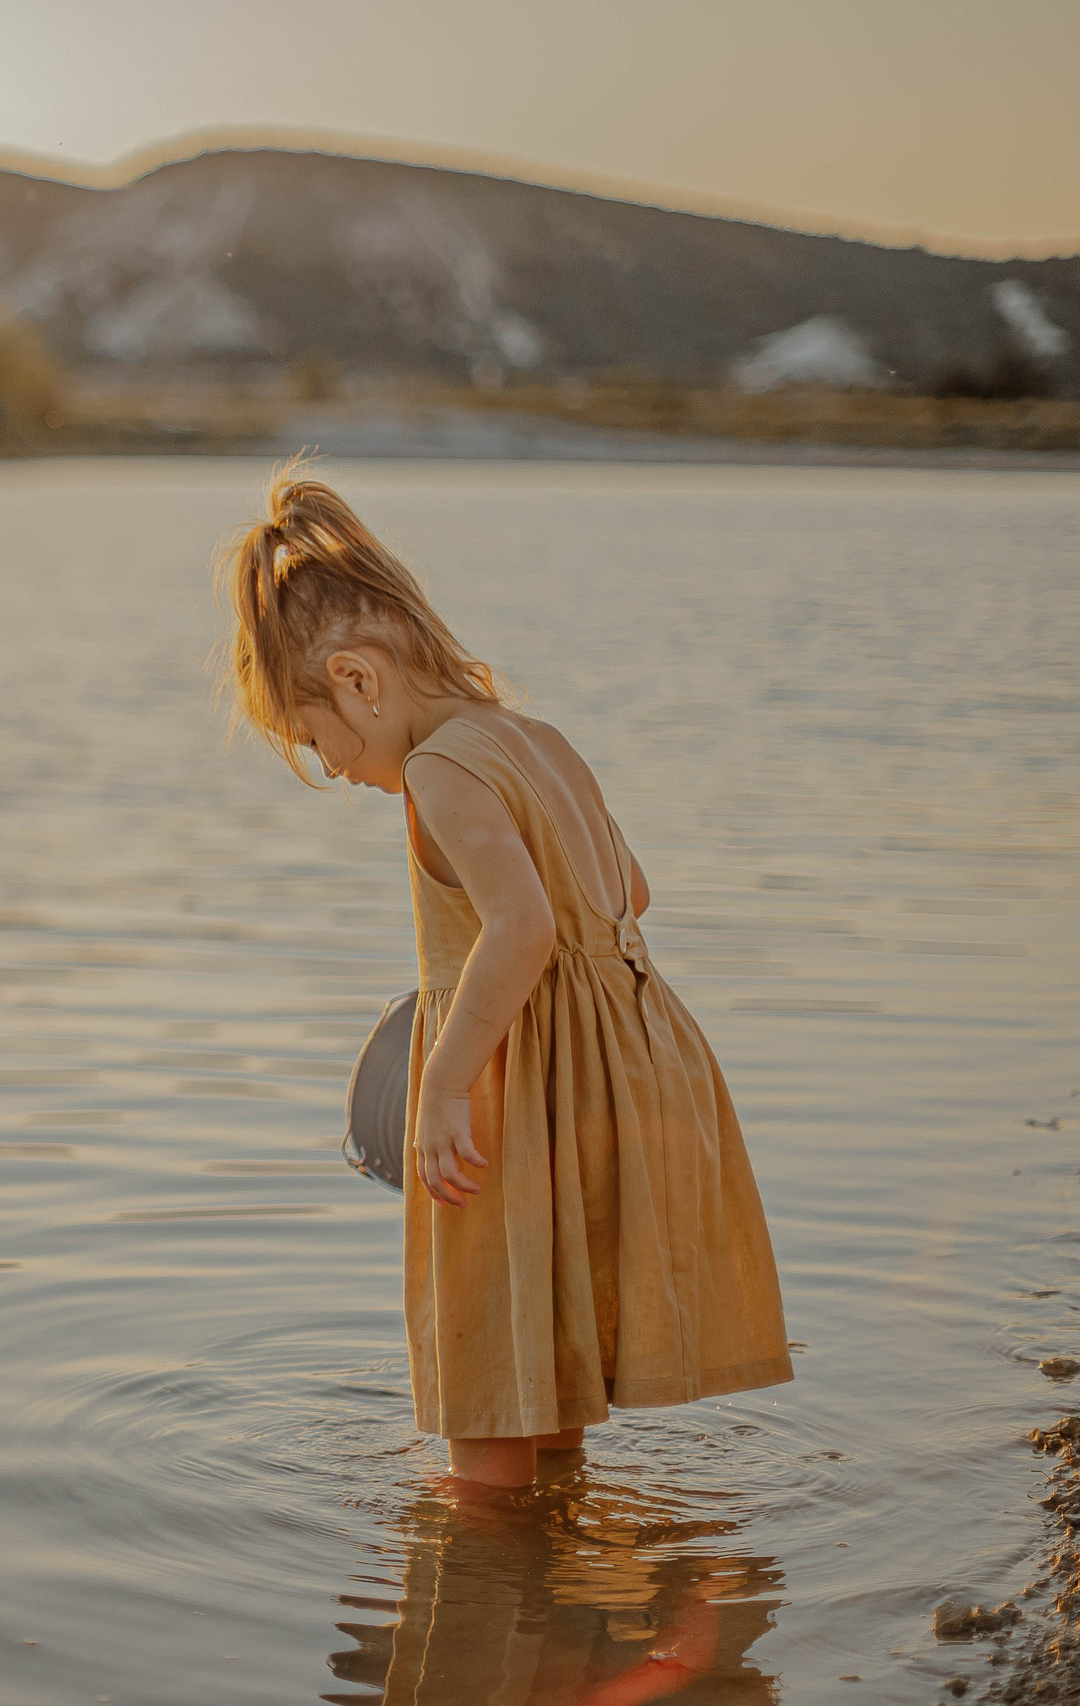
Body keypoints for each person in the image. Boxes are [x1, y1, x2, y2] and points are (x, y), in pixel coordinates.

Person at [222, 465, 792, 1490]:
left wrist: (443, 1082)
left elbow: (522, 928)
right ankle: (558, 1564)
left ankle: (487, 1568)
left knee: (487, 1390)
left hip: (519, 1098)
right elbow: (630, 892)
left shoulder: (439, 767)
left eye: (317, 742)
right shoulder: (540, 742)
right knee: (550, 1382)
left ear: (357, 681)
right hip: (629, 1076)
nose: (335, 770)